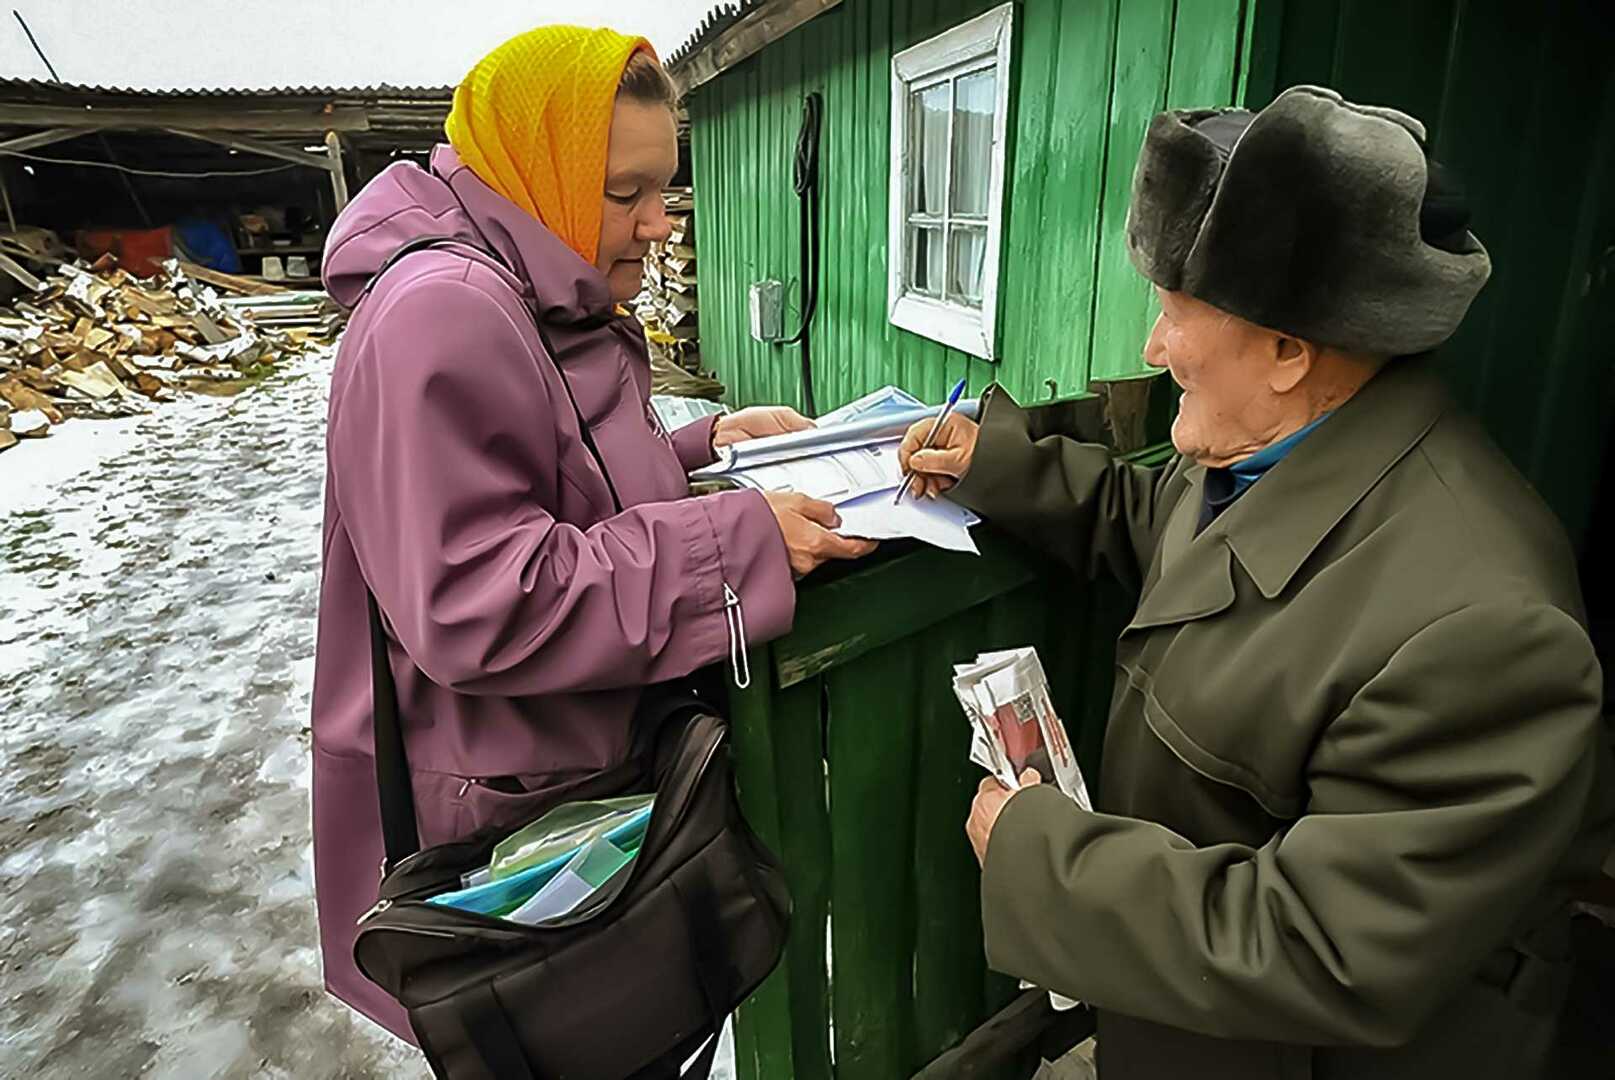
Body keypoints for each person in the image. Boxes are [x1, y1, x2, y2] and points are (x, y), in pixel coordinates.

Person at [899, 85, 1615, 1079]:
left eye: (1172, 312)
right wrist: (997, 465)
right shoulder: (1272, 452)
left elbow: (1326, 946)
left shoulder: (1483, 628)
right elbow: (1165, 526)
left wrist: (1042, 861)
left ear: (1287, 348)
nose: (1151, 349)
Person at [310, 25, 873, 1041]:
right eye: (627, 193)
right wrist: (735, 545)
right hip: (513, 832)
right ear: (543, 168)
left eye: (665, 187)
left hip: (562, 794)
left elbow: (547, 470)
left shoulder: (532, 284)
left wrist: (701, 446)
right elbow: (482, 596)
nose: (659, 222)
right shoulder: (444, 312)